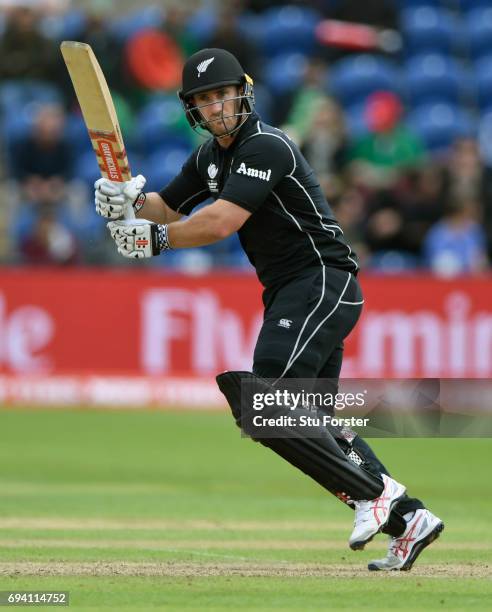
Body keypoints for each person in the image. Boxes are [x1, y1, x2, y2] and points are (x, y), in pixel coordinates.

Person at [93, 48, 443, 571]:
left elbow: (219, 223)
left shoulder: (267, 144)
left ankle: (379, 494)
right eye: (204, 100)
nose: (216, 107)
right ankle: (407, 517)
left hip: (322, 280)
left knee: (266, 401)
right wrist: (127, 201)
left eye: (222, 94)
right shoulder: (210, 157)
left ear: (243, 92)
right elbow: (167, 206)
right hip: (291, 291)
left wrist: (155, 240)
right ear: (194, 109)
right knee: (310, 421)